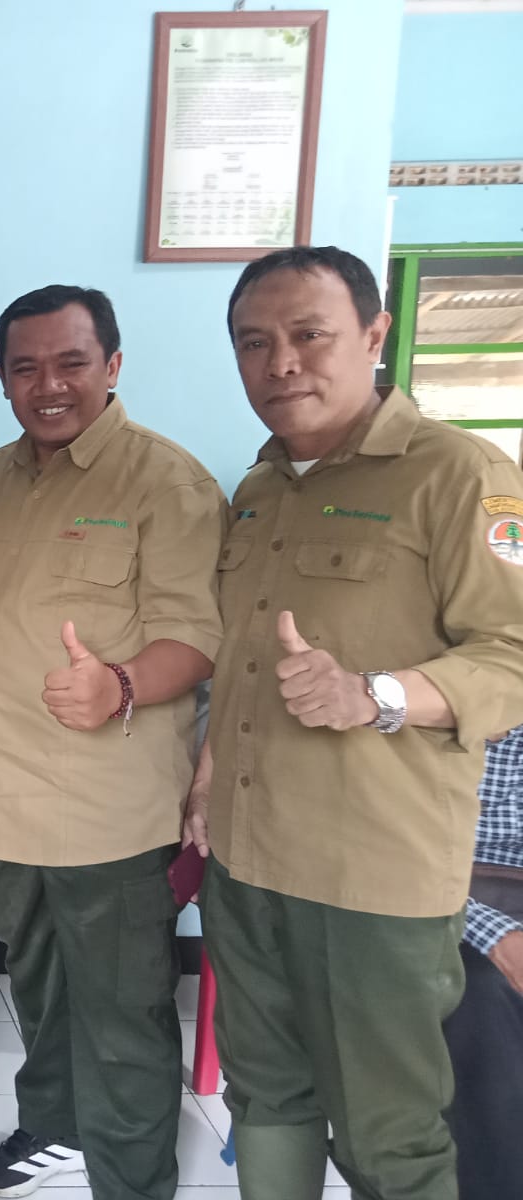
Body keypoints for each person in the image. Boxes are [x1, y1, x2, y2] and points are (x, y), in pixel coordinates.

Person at [182, 245, 523, 1200]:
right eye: (254, 343)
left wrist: (378, 695)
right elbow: (239, 668)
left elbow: (512, 655)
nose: (281, 362)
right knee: (267, 1097)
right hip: (249, 861)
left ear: (374, 335)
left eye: (309, 335)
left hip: (373, 877)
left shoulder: (459, 474)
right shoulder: (256, 493)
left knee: (390, 1136)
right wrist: (205, 779)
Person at [0, 285, 223, 1199]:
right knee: (39, 991)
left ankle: (133, 1179)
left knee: (121, 1015)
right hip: (2, 804)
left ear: (112, 366)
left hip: (109, 811)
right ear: (2, 379)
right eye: (25, 367)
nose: (49, 385)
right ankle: (56, 1127)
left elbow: (199, 636)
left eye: (71, 363)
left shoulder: (167, 482)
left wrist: (121, 683)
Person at [444, 725, 523, 1200]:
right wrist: (498, 937)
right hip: (439, 894)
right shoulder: (413, 702)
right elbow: (388, 850)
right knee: (476, 991)